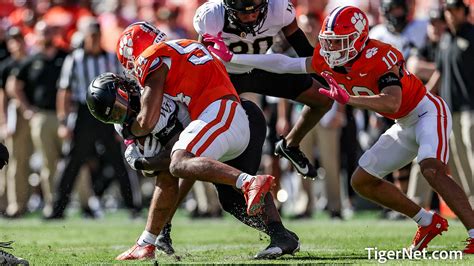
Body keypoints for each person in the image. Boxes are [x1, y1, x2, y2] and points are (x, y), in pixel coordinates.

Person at [205, 5, 474, 253]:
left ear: (359, 38)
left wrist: (349, 99)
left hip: (427, 112)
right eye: (329, 40)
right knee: (362, 181)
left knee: (430, 169)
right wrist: (234, 57)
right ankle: (427, 221)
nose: (332, 47)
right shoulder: (329, 57)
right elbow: (285, 64)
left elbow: (393, 102)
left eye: (339, 41)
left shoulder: (381, 55)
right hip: (403, 124)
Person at [86, 72, 299, 260]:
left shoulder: (153, 103)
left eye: (118, 109)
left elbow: (178, 157)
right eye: (113, 116)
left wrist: (144, 161)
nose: (120, 117)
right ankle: (280, 234)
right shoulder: (125, 122)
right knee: (228, 199)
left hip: (238, 118)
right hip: (226, 121)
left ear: (125, 92)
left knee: (183, 166)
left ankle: (249, 185)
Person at [193, 0, 333, 178]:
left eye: (257, 10)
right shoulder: (212, 15)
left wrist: (329, 77)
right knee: (203, 132)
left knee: (323, 98)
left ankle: (290, 145)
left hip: (261, 66)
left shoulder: (279, 8)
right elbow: (202, 64)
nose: (252, 16)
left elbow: (303, 50)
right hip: (225, 75)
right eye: (244, 12)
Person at [46, 16, 142, 220]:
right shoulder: (75, 59)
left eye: (97, 35)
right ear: (84, 37)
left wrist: (124, 121)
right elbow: (64, 91)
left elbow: (124, 87)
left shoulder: (110, 59)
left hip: (110, 113)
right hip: (83, 113)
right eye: (91, 36)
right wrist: (64, 121)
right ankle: (57, 209)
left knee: (119, 160)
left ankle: (133, 207)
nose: (94, 40)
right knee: (72, 162)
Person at [425, 0, 474, 206]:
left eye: (455, 10)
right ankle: (470, 203)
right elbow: (439, 71)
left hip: (470, 107)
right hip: (449, 107)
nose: (452, 15)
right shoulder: (444, 39)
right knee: (457, 158)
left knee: (472, 151)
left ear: (464, 12)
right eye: (449, 11)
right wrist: (424, 95)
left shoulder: (472, 35)